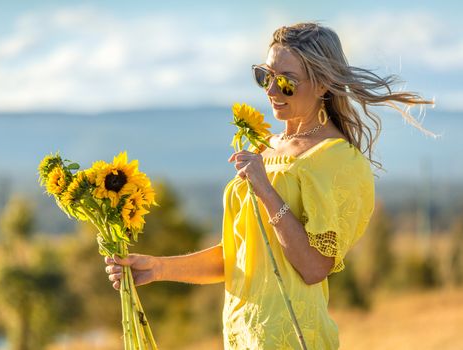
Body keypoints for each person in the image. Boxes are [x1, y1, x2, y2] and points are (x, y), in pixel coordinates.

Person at [105, 22, 433, 349]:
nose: (271, 90)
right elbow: (239, 256)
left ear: (323, 86)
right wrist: (158, 268)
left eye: (286, 82)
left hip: (294, 338)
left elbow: (314, 266)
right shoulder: (264, 147)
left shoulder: (341, 163)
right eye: (265, 76)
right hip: (241, 337)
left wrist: (266, 190)